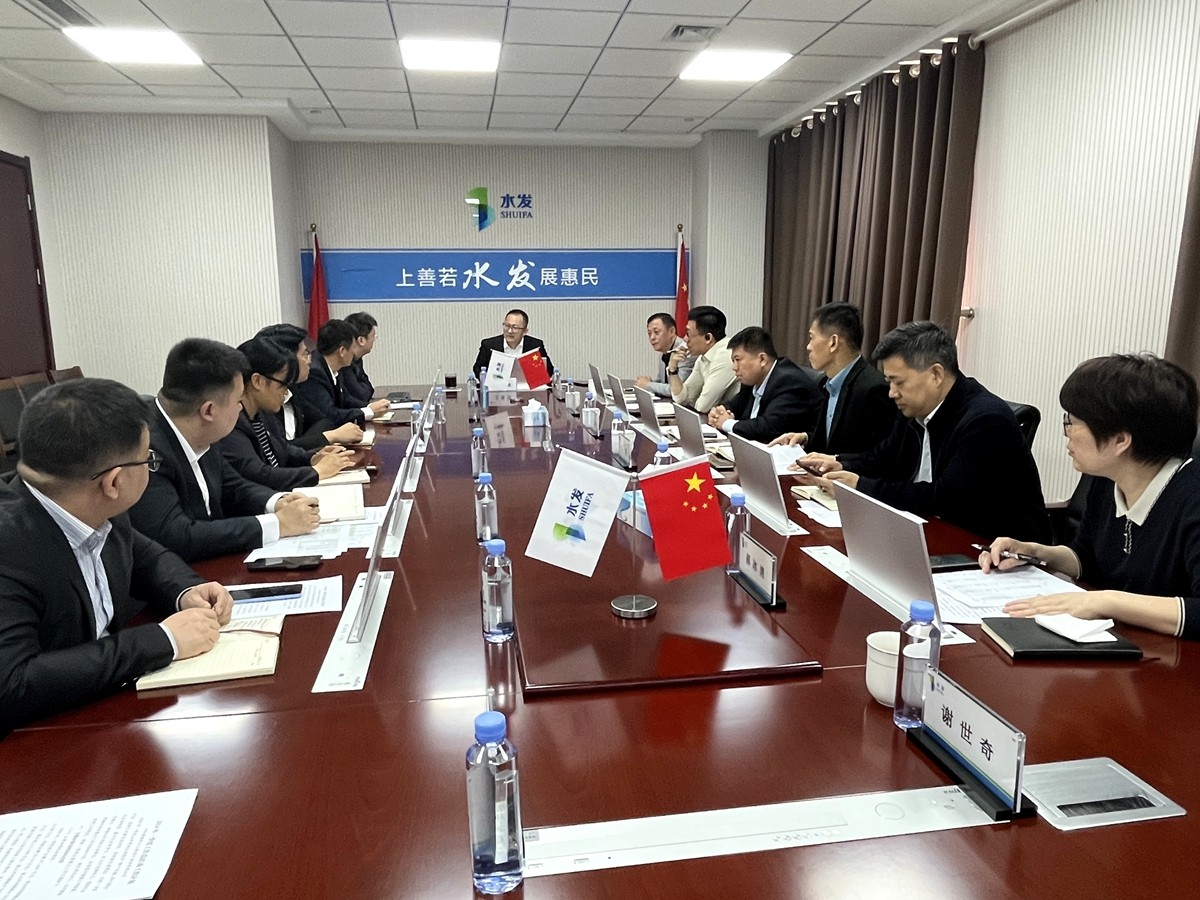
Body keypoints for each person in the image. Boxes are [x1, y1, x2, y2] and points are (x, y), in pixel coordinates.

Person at [0, 378, 231, 733]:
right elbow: (14, 684)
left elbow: (144, 555)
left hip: (105, 707)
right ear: (114, 483)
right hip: (41, 741)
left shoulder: (88, 503)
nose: (150, 466)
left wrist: (185, 590)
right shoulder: (9, 546)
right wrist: (163, 641)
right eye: (148, 460)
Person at [981, 354, 1200, 638]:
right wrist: (1035, 553)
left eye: (1072, 422)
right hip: (1114, 641)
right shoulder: (1108, 480)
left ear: (1120, 440)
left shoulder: (1191, 498)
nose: (1067, 433)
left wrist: (1105, 601)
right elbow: (1086, 558)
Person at [794, 321, 1050, 542]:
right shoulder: (914, 408)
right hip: (926, 528)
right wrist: (840, 463)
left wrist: (860, 486)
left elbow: (944, 498)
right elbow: (884, 457)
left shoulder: (984, 420)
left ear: (935, 374)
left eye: (899, 382)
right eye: (889, 382)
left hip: (988, 548)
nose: (892, 393)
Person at [130, 338, 321, 562]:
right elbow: (177, 535)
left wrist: (278, 501)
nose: (241, 408)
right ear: (209, 411)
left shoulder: (200, 429)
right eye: (238, 401)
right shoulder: (142, 448)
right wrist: (277, 524)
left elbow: (232, 485)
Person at [219, 337, 355, 492]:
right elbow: (259, 474)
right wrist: (317, 471)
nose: (287, 391)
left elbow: (284, 450)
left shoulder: (262, 413)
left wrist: (313, 457)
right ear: (258, 381)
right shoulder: (231, 423)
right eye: (283, 384)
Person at [769, 303, 896, 454]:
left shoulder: (873, 390)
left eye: (812, 338)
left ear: (833, 342)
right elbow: (831, 442)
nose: (808, 346)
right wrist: (806, 438)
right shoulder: (825, 383)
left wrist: (837, 462)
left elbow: (878, 457)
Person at [256, 324, 363, 450]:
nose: (309, 361)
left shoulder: (293, 391)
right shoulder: (263, 403)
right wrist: (327, 437)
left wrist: (306, 444)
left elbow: (324, 421)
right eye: (305, 354)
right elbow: (280, 451)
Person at [707, 326, 822, 443]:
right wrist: (718, 413)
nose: (734, 368)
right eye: (733, 361)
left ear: (762, 359)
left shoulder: (789, 381)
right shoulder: (751, 380)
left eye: (738, 360)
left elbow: (768, 428)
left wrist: (726, 423)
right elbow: (733, 406)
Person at [293, 319, 390, 429]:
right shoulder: (314, 373)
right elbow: (330, 415)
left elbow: (345, 400)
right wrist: (368, 412)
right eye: (353, 347)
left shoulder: (333, 368)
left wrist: (371, 407)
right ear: (342, 351)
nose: (354, 353)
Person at [669, 305, 738, 414]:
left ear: (708, 338)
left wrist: (693, 400)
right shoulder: (703, 357)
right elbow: (682, 399)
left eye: (688, 334)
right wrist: (672, 369)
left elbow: (703, 406)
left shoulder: (726, 355)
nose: (685, 339)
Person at [472, 308, 555, 380]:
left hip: (527, 389)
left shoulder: (535, 346)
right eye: (507, 325)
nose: (509, 331)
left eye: (515, 327)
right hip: (497, 390)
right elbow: (478, 369)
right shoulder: (489, 345)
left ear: (525, 331)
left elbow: (549, 371)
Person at [635, 312, 693, 398]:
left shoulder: (685, 352)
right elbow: (663, 382)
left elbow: (677, 390)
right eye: (649, 333)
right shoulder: (665, 350)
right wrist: (649, 383)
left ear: (672, 331)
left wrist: (649, 385)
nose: (652, 337)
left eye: (656, 332)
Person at [340, 312, 379, 407]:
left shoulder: (357, 358)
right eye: (373, 336)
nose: (374, 340)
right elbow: (361, 395)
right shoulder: (345, 362)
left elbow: (369, 389)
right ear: (361, 340)